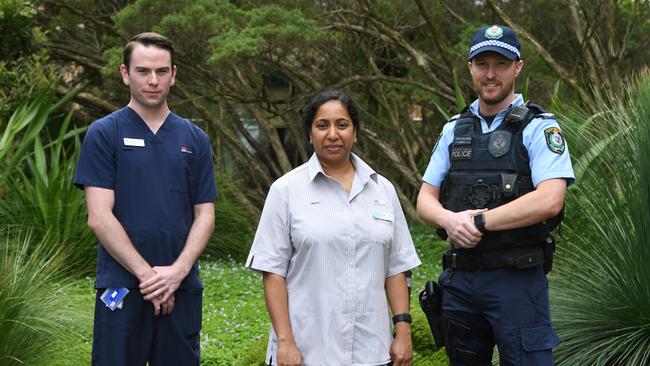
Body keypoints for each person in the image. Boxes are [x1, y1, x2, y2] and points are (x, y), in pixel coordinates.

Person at [416, 25, 575, 365]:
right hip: (462, 280)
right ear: (469, 67)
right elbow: (424, 199)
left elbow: (550, 199)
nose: (491, 74)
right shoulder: (454, 129)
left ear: (518, 67)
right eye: (482, 63)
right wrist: (447, 219)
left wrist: (479, 221)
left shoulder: (539, 126)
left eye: (501, 64)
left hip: (516, 280)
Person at [246, 89, 421, 366]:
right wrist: (286, 343)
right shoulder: (286, 191)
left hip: (372, 351)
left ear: (355, 132)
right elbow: (273, 273)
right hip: (308, 352)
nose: (332, 134)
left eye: (342, 124)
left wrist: (403, 330)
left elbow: (396, 267)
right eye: (322, 125)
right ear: (309, 134)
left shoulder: (383, 190)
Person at [74, 32, 216, 365]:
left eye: (162, 71)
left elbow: (205, 215)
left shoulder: (195, 140)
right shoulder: (104, 133)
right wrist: (149, 278)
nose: (153, 80)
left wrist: (177, 274)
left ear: (174, 74)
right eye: (142, 71)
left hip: (181, 287)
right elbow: (99, 215)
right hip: (122, 287)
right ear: (125, 73)